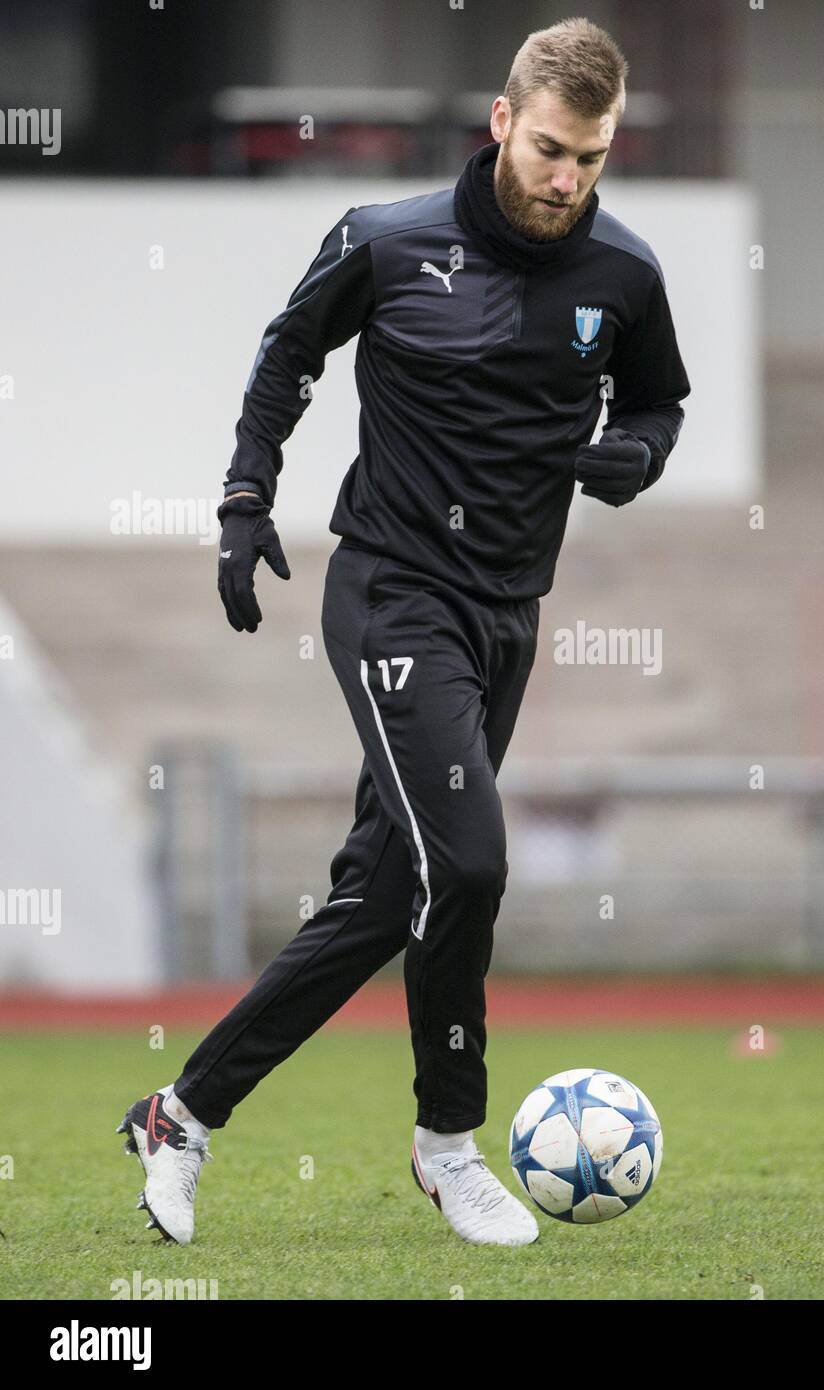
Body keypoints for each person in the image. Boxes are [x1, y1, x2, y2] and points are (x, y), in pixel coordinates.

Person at [117, 17, 690, 1248]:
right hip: (388, 592)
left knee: (386, 898)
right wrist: (241, 497)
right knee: (471, 863)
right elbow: (288, 356)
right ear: (500, 121)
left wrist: (635, 454)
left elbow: (659, 401)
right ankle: (448, 1146)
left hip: (506, 616)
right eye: (548, 150)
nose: (566, 180)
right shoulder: (383, 240)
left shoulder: (624, 278)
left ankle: (180, 1112)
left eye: (589, 159)